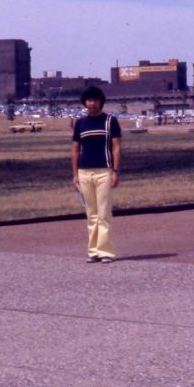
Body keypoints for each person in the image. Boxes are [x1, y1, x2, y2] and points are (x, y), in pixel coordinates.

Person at [71, 86, 122, 264]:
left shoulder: (110, 121)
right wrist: (75, 174)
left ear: (101, 101)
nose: (91, 103)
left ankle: (105, 251)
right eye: (88, 100)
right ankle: (93, 252)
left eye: (95, 100)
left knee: (103, 213)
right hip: (84, 173)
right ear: (85, 102)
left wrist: (115, 171)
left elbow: (116, 147)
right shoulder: (80, 123)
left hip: (104, 172)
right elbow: (75, 150)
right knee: (91, 214)